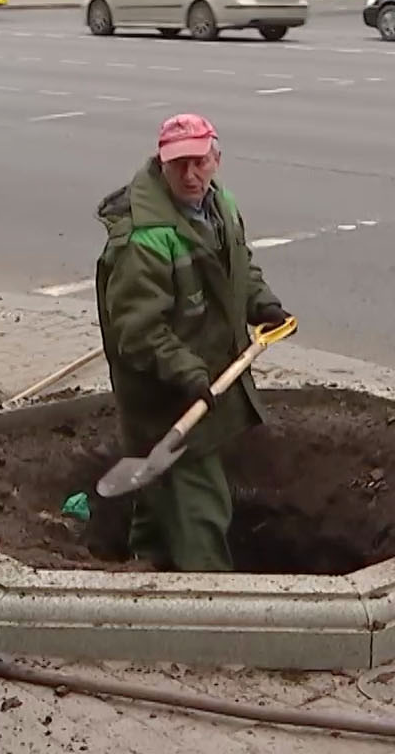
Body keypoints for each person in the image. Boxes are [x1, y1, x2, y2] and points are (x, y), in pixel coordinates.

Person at [94, 114, 290, 572]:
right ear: (161, 165)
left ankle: (146, 561)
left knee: (161, 485)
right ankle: (211, 598)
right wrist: (185, 370)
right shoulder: (145, 240)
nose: (190, 175)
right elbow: (137, 332)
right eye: (178, 164)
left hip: (201, 384)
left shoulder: (220, 205)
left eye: (199, 162)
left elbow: (238, 269)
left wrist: (263, 305)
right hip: (164, 396)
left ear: (216, 160)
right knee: (201, 506)